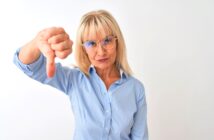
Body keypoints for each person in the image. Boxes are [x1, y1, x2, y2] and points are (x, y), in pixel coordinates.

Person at [13, 9, 148, 140]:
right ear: (84, 49)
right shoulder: (74, 80)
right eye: (91, 43)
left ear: (117, 42)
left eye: (107, 40)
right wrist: (38, 41)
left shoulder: (136, 89)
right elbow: (27, 65)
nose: (101, 52)